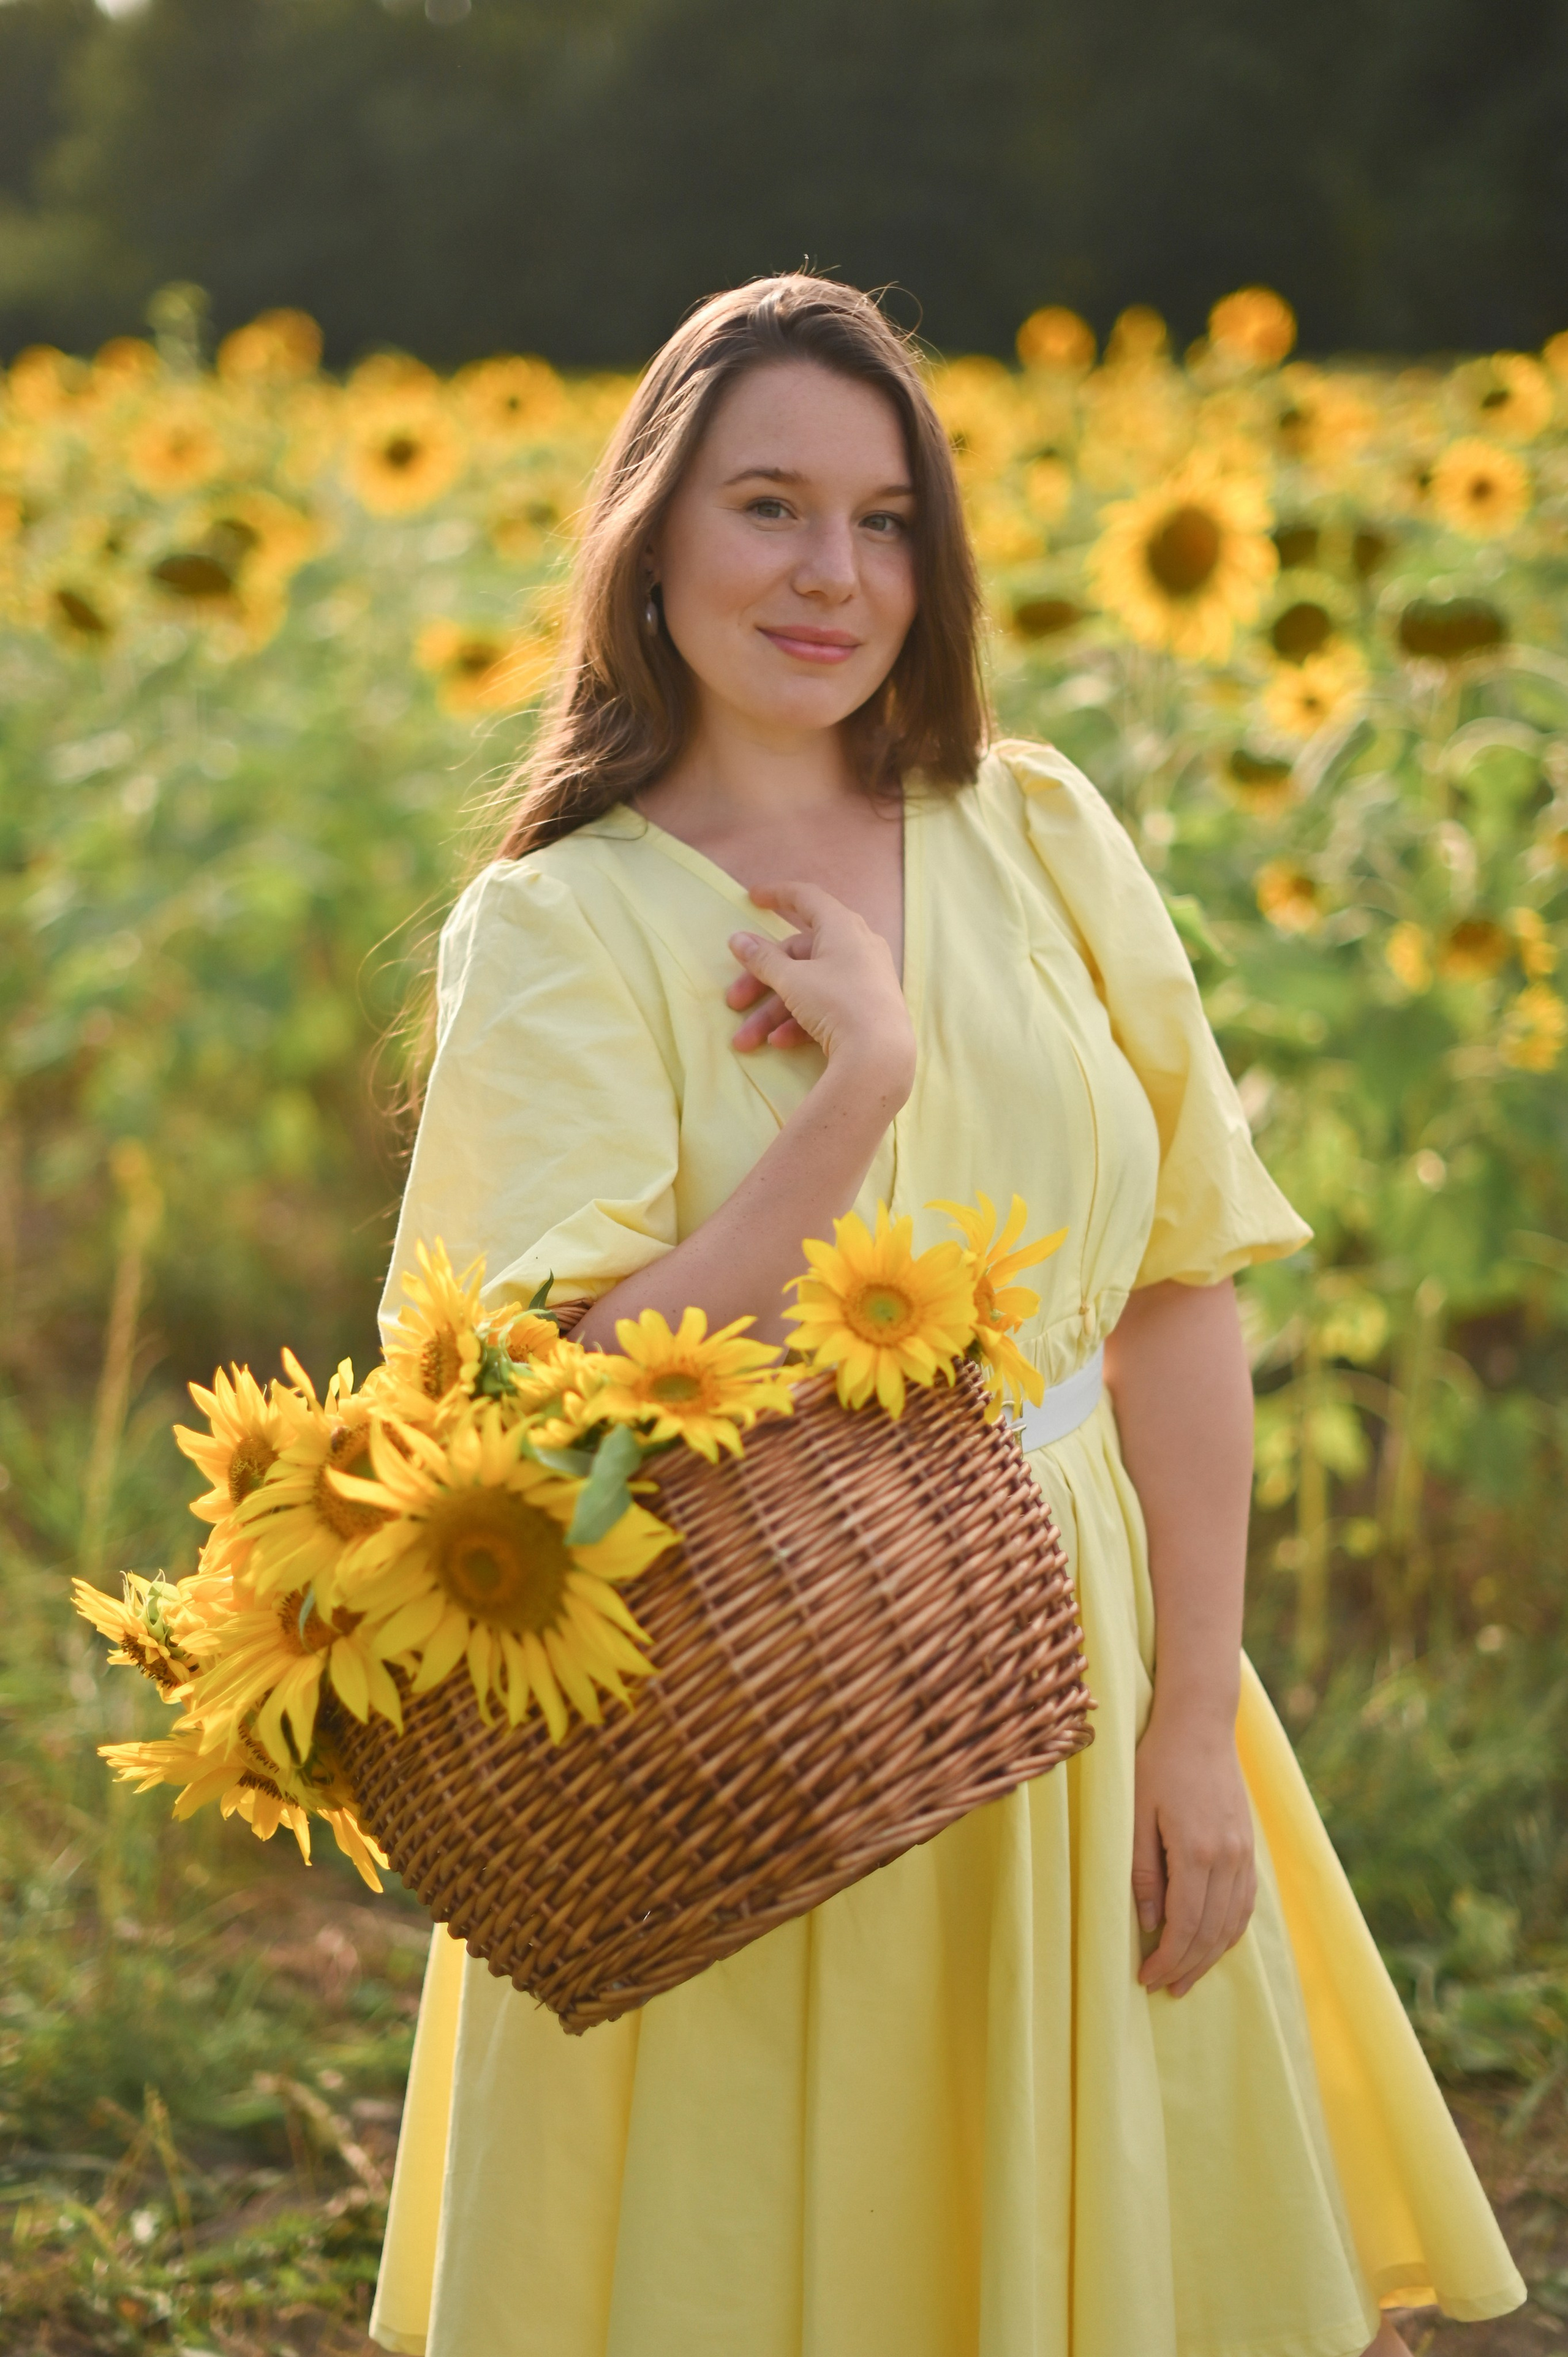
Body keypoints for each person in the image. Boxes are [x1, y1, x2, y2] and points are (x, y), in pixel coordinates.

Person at [366, 274, 1523, 2357]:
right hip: (736, 1703)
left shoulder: (1042, 830)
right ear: (653, 538)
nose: (834, 576)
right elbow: (550, 1397)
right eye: (771, 509)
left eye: (886, 521)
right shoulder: (560, 924)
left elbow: (1174, 1289)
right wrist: (861, 1097)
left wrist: (1192, 1729)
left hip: (1073, 1658)